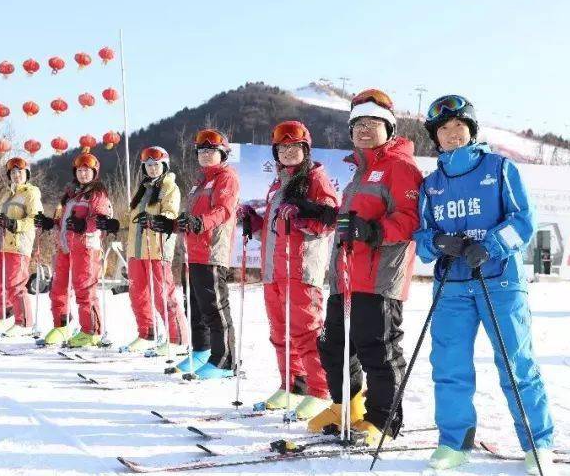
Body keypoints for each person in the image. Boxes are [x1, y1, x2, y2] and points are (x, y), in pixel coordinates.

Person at [413, 94, 554, 474]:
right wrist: (440, 243)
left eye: (459, 126)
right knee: (449, 365)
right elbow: (422, 238)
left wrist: (490, 245)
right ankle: (454, 442)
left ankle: (537, 445)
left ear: (471, 130)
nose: (453, 134)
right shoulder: (431, 185)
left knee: (515, 364)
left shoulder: (500, 168)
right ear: (436, 137)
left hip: (500, 283)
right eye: (444, 129)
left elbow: (523, 220)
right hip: (452, 288)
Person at [308, 89, 422, 445]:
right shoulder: (359, 171)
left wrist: (372, 230)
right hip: (345, 278)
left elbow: (411, 219)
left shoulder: (400, 167)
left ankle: (384, 420)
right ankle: (348, 407)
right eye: (358, 124)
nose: (364, 130)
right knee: (334, 346)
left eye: (373, 124)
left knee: (378, 349)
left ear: (389, 128)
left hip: (379, 277)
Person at [239, 120, 338, 419]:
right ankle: (292, 385)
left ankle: (319, 391)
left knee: (306, 331)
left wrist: (304, 215)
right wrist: (253, 222)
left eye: (295, 147)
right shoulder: (278, 183)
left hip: (301, 269)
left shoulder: (316, 178)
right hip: (273, 272)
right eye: (283, 147)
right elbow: (272, 231)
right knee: (279, 333)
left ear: (305, 149)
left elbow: (329, 219)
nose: (288, 152)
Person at [175, 129, 240, 379]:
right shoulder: (199, 181)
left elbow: (224, 210)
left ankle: (225, 360)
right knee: (194, 306)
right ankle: (202, 350)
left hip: (212, 250)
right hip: (192, 253)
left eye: (211, 151)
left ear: (222, 153)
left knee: (214, 307)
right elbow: (191, 218)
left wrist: (200, 223)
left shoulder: (227, 177)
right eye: (201, 151)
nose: (205, 155)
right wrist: (173, 223)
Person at [36, 152, 119, 348]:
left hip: (86, 247)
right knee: (58, 289)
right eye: (80, 171)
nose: (83, 174)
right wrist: (50, 222)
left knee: (84, 290)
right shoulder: (70, 195)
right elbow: (64, 221)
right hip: (65, 247)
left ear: (94, 173)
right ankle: (62, 325)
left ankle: (91, 331)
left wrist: (84, 225)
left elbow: (100, 219)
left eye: (87, 171)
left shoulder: (97, 194)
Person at [124, 146, 187, 352]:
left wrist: (155, 220)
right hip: (136, 250)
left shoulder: (170, 187)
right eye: (148, 165)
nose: (152, 169)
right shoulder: (142, 188)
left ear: (164, 166)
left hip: (157, 248)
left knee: (162, 294)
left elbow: (170, 213)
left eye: (156, 165)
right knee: (137, 294)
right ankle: (147, 334)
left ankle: (177, 339)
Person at [0, 156, 43, 337]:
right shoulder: (6, 195)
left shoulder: (31, 193)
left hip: (18, 245)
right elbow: (2, 223)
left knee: (15, 285)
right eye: (12, 172)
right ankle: (5, 317)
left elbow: (35, 219)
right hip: (1, 246)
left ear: (26, 173)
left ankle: (24, 323)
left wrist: (15, 225)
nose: (16, 175)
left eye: (19, 172)